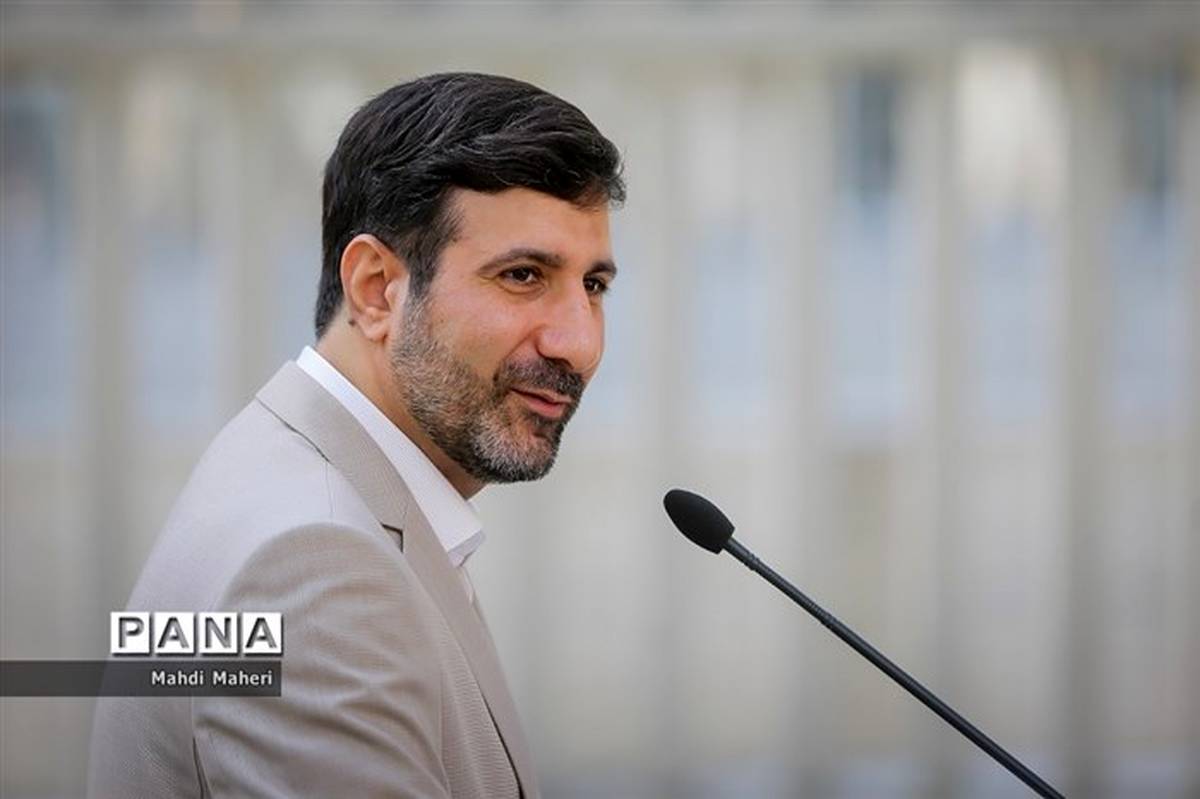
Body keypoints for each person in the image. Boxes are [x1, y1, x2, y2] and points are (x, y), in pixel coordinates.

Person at [87, 72, 624, 798]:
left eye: (593, 286)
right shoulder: (313, 568)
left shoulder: (293, 480)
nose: (579, 344)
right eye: (524, 275)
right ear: (376, 288)